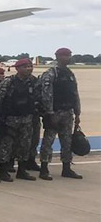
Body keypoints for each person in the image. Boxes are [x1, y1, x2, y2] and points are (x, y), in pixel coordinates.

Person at [39, 48, 82, 179]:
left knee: (67, 141)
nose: (68, 58)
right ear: (57, 57)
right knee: (48, 141)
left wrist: (77, 112)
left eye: (69, 55)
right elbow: (46, 94)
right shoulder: (51, 73)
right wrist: (49, 112)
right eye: (65, 55)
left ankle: (67, 168)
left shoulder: (69, 73)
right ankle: (44, 168)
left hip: (68, 113)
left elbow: (74, 93)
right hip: (54, 112)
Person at [0, 58, 39, 182]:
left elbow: (38, 98)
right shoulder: (8, 82)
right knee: (6, 145)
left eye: (30, 66)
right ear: (18, 68)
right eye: (25, 66)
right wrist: (2, 118)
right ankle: (4, 171)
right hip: (10, 119)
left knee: (25, 145)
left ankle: (22, 170)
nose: (29, 69)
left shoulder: (34, 82)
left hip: (27, 119)